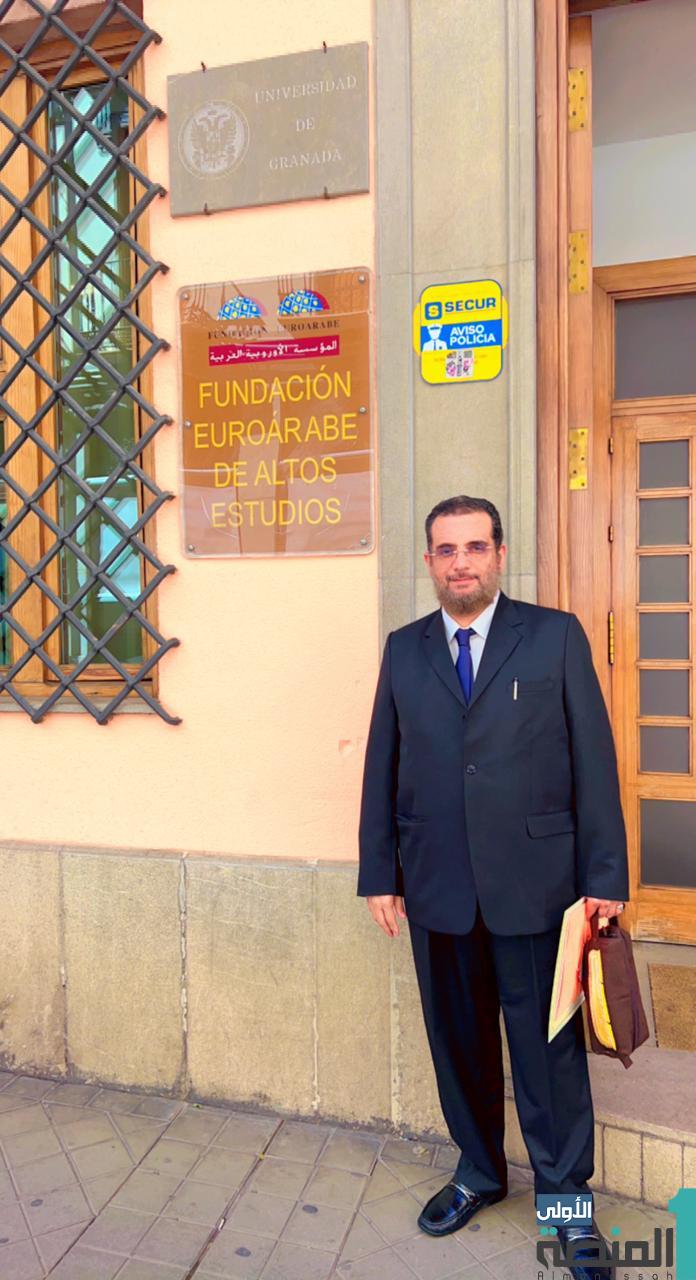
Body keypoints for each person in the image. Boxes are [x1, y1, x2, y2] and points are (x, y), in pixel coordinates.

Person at [357, 495, 628, 1280]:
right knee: (459, 1044)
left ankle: (566, 1204)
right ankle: (479, 1171)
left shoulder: (553, 636)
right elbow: (383, 764)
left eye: (475, 547)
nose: (461, 563)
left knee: (548, 1055)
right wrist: (380, 873)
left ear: (500, 555)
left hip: (537, 886)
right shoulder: (405, 650)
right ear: (430, 562)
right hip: (437, 884)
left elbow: (594, 761)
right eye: (446, 550)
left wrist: (605, 876)